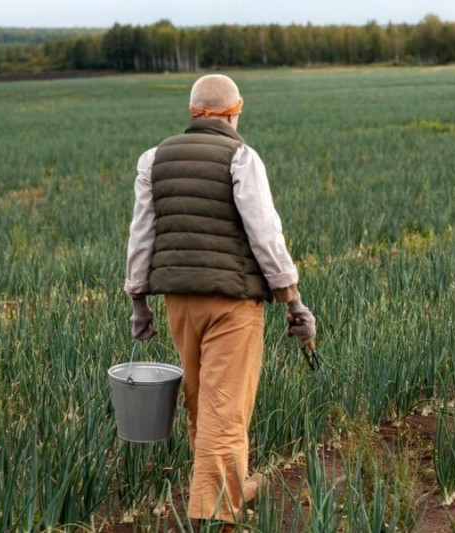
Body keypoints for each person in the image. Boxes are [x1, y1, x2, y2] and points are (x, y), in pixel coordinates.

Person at [123, 74, 316, 527]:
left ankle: (229, 489)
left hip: (178, 302)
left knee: (199, 403)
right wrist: (292, 299)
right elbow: (265, 234)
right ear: (236, 111)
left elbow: (141, 233)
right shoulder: (241, 156)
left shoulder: (154, 159)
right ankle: (213, 515)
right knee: (226, 410)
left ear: (193, 112)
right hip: (232, 302)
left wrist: (138, 301)